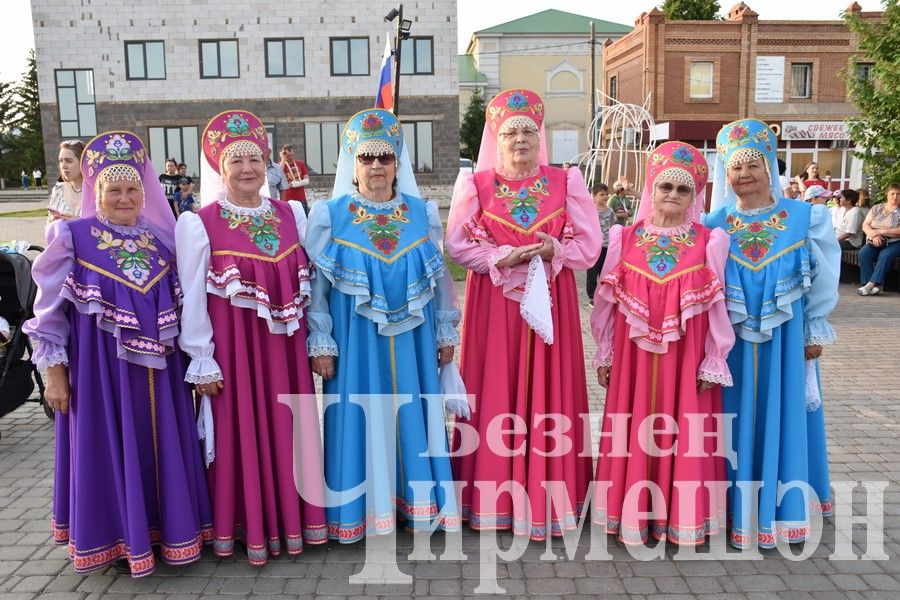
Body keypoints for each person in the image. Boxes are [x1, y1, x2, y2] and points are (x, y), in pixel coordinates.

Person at [22, 131, 212, 576]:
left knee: (160, 445)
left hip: (162, 378)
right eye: (114, 190)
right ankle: (118, 540)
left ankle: (167, 534)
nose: (124, 198)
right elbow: (47, 313)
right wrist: (53, 374)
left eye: (132, 190)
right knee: (109, 446)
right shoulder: (71, 236)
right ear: (97, 192)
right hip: (99, 377)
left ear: (144, 194)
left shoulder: (160, 244)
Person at [446, 89, 602, 539]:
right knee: (493, 387)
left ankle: (548, 501)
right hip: (493, 306)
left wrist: (556, 249)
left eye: (528, 131)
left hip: (550, 303)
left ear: (541, 137)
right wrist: (500, 257)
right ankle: (491, 500)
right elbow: (457, 245)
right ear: (495, 138)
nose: (519, 139)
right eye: (510, 131)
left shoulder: (566, 181)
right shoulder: (474, 185)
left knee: (549, 394)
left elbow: (589, 248)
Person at [176, 110, 326, 564]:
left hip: (285, 352)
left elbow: (314, 281)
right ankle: (247, 526)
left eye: (255, 160)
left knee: (289, 424)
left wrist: (319, 337)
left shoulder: (292, 213)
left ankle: (293, 521)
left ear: (267, 166)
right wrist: (202, 358)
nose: (247, 170)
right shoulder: (199, 223)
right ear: (220, 169)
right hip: (234, 352)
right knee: (240, 429)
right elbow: (193, 299)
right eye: (236, 161)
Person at [305, 109, 462, 542]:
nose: (377, 166)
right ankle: (360, 512)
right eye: (367, 157)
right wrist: (320, 341)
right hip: (354, 341)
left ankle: (416, 506)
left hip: (414, 340)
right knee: (358, 413)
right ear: (352, 165)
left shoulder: (421, 213)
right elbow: (316, 288)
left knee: (413, 411)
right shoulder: (329, 216)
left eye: (385, 157)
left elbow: (441, 281)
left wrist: (446, 330)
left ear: (398, 164)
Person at [590, 142, 734, 545]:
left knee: (685, 431)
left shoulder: (710, 241)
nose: (672, 194)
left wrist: (713, 358)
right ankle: (631, 515)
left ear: (694, 197)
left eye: (683, 189)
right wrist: (606, 351)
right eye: (665, 185)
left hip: (686, 358)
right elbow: (606, 305)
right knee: (632, 428)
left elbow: (719, 305)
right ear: (651, 189)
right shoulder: (624, 237)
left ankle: (680, 518)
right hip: (632, 361)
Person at [707, 118, 839, 548]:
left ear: (770, 167)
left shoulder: (805, 217)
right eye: (735, 167)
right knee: (732, 415)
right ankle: (733, 509)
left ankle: (780, 511)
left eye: (753, 165)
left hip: (785, 341)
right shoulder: (714, 223)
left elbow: (823, 278)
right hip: (729, 344)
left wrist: (814, 326)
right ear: (725, 174)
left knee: (780, 410)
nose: (744, 175)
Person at [857, 183, 900, 296]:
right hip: (875, 239)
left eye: (898, 194)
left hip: (895, 241)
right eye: (892, 193)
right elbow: (866, 224)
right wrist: (873, 235)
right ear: (887, 194)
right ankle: (871, 287)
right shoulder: (877, 208)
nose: (895, 196)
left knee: (885, 255)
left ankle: (870, 285)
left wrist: (880, 232)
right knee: (864, 253)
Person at [46, 140, 86, 233]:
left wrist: (78, 223)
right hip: (61, 246)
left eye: (69, 161)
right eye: (61, 161)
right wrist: (52, 224)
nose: (63, 166)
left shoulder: (97, 191)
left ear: (82, 162)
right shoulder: (58, 189)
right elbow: (48, 227)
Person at [585, 182, 615, 303]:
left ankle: (603, 296)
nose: (605, 197)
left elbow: (612, 225)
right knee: (592, 272)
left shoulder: (610, 211)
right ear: (594, 196)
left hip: (607, 247)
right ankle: (591, 296)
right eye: (601, 194)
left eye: (606, 194)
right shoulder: (590, 210)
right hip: (594, 247)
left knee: (604, 272)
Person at [280, 144, 310, 214]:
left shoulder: (300, 163)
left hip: (301, 198)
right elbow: (279, 173)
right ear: (284, 154)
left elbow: (307, 179)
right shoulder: (282, 164)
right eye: (288, 155)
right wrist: (283, 159)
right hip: (288, 199)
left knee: (303, 220)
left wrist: (298, 183)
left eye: (292, 155)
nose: (291, 157)